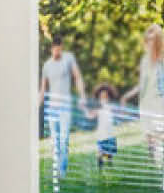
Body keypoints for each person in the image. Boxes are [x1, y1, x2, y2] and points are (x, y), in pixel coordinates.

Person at [120, 24, 164, 181]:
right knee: (149, 138)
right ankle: (156, 170)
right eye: (147, 40)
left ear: (158, 41)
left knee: (158, 136)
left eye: (152, 40)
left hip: (158, 101)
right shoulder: (144, 60)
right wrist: (126, 96)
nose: (149, 43)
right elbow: (141, 84)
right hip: (145, 103)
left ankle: (161, 168)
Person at [38, 34, 86, 184]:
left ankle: (61, 172)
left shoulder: (69, 59)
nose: (57, 53)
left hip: (65, 108)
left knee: (64, 140)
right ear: (52, 49)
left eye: (59, 50)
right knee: (55, 142)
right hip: (52, 108)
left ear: (61, 48)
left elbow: (77, 77)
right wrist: (37, 106)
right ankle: (57, 169)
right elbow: (43, 89)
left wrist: (82, 95)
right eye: (55, 50)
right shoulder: (47, 65)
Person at [86, 84, 121, 174]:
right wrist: (86, 111)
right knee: (100, 153)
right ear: (99, 98)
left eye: (105, 97)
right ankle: (100, 170)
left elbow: (119, 112)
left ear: (109, 97)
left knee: (109, 154)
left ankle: (110, 166)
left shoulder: (111, 107)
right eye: (102, 97)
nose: (104, 99)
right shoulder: (98, 108)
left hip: (110, 134)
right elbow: (91, 116)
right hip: (101, 135)